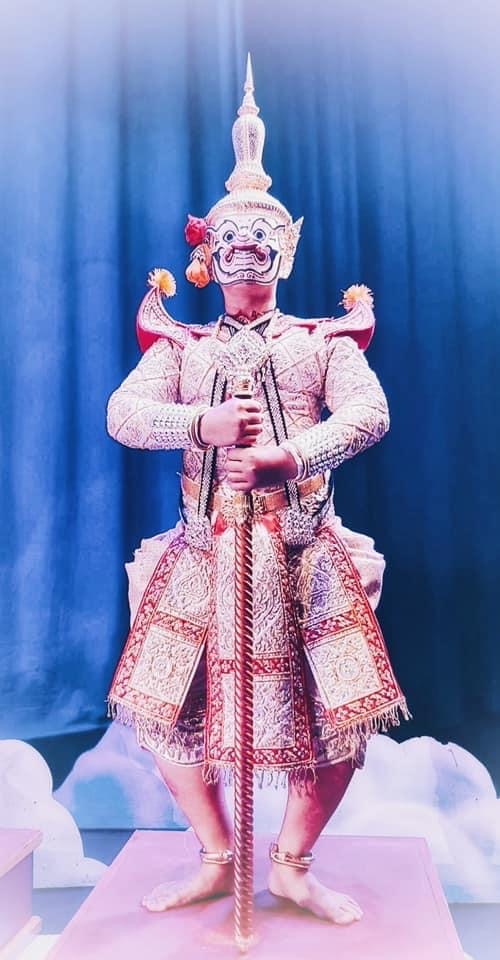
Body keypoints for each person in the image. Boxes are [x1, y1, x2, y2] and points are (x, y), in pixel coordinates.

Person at [106, 56, 409, 925]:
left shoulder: (322, 342)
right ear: (208, 252)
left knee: (343, 717)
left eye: (261, 241)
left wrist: (288, 458)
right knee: (162, 708)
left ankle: (292, 864)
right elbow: (124, 414)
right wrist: (197, 424)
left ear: (286, 250)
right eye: (230, 240)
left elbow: (370, 413)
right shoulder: (183, 348)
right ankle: (214, 853)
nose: (245, 253)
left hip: (304, 550)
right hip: (203, 550)